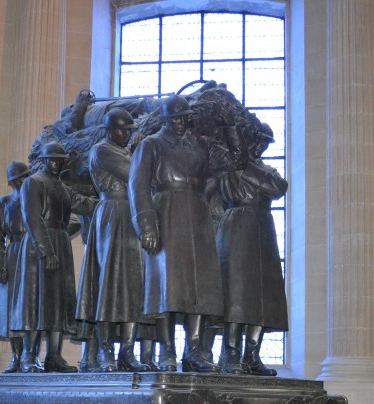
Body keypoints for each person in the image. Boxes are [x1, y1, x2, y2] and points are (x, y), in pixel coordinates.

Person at [128, 95, 246, 372]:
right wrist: (146, 225)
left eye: (184, 118)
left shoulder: (200, 144)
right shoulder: (152, 144)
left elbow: (236, 160)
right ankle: (167, 351)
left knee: (200, 285)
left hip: (198, 213)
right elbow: (138, 187)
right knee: (167, 286)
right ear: (166, 119)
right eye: (175, 119)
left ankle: (193, 351)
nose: (180, 123)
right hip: (167, 211)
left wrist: (231, 128)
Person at [76, 108, 153, 372]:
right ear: (109, 130)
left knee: (134, 283)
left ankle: (127, 352)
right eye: (121, 130)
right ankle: (105, 352)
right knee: (109, 283)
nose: (125, 134)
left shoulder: (128, 151)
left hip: (130, 214)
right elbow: (136, 176)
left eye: (128, 131)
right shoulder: (103, 150)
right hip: (112, 214)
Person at [11, 142, 96, 372]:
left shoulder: (62, 186)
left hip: (60, 242)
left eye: (60, 159)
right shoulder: (33, 182)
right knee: (34, 301)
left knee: (59, 302)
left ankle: (54, 357)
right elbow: (32, 218)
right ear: (45, 160)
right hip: (39, 247)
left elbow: (83, 204)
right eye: (52, 159)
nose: (56, 163)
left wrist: (113, 202)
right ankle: (29, 357)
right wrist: (46, 251)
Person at [214, 124, 288, 375]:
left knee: (263, 295)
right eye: (256, 142)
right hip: (238, 226)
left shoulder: (264, 169)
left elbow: (279, 188)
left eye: (264, 144)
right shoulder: (230, 166)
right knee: (237, 292)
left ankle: (252, 356)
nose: (260, 148)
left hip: (263, 228)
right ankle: (230, 353)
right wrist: (243, 163)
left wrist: (247, 164)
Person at [0, 161, 30, 372]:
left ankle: (29, 356)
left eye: (25, 177)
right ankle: (16, 356)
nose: (22, 182)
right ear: (12, 182)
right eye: (19, 178)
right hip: (13, 254)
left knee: (30, 305)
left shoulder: (35, 199)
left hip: (32, 252)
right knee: (12, 307)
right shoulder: (4, 203)